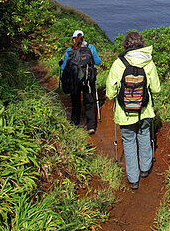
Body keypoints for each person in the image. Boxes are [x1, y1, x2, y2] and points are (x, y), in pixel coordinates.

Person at [105, 30, 161, 190]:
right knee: (144, 135)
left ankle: (133, 178)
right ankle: (145, 168)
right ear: (142, 45)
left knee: (129, 141)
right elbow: (156, 89)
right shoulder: (149, 63)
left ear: (126, 45)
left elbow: (110, 93)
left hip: (124, 112)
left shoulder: (119, 64)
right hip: (144, 110)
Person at [59, 30, 101, 134]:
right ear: (83, 37)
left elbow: (63, 67)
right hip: (87, 80)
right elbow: (98, 62)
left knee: (75, 102)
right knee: (89, 102)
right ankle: (91, 126)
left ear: (74, 39)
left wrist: (60, 62)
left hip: (74, 80)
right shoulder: (90, 48)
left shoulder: (69, 50)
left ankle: (75, 123)